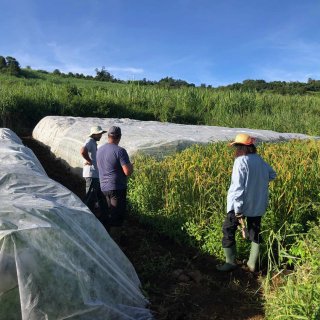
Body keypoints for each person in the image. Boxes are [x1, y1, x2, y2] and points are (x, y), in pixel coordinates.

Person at [216, 133, 276, 272]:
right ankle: (252, 264)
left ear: (242, 148)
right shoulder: (259, 160)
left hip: (239, 204)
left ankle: (230, 262)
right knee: (255, 231)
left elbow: (238, 187)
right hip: (257, 204)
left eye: (236, 147)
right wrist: (258, 183)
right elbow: (272, 174)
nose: (235, 150)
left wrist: (237, 210)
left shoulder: (241, 161)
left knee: (228, 230)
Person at [96, 126, 133, 235]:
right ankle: (115, 243)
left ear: (108, 136)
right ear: (119, 137)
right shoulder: (120, 151)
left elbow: (100, 167)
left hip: (103, 187)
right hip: (117, 188)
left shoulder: (100, 150)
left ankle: (104, 238)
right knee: (117, 215)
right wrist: (131, 166)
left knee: (107, 213)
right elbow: (127, 172)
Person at [80, 125, 109, 226]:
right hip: (91, 174)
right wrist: (89, 161)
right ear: (94, 134)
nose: (101, 135)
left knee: (97, 196)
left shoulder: (93, 142)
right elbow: (82, 150)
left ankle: (101, 216)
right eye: (99, 134)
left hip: (95, 174)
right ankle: (85, 219)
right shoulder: (89, 141)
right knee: (90, 196)